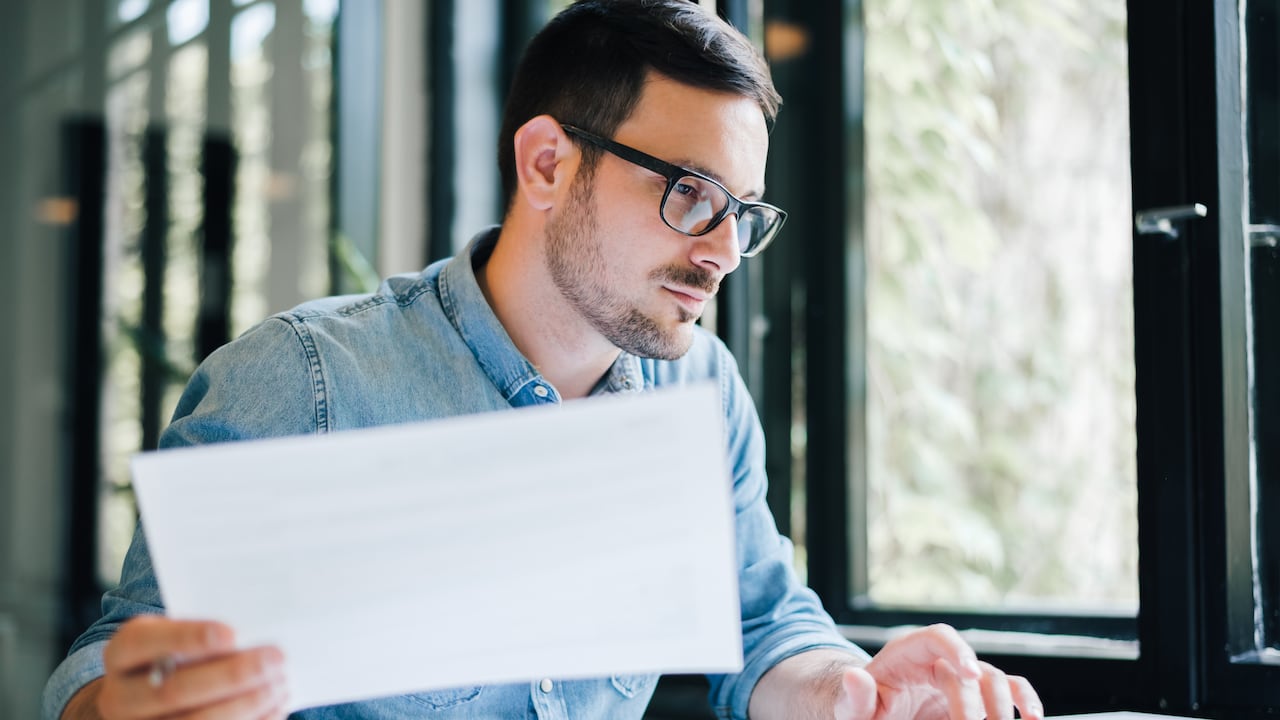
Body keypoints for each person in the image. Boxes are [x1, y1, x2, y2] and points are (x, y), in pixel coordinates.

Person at [44, 1, 1044, 718]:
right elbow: (109, 670)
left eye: (743, 215)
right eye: (691, 194)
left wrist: (849, 691)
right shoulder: (304, 381)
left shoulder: (698, 388)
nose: (722, 250)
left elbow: (760, 622)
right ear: (547, 163)